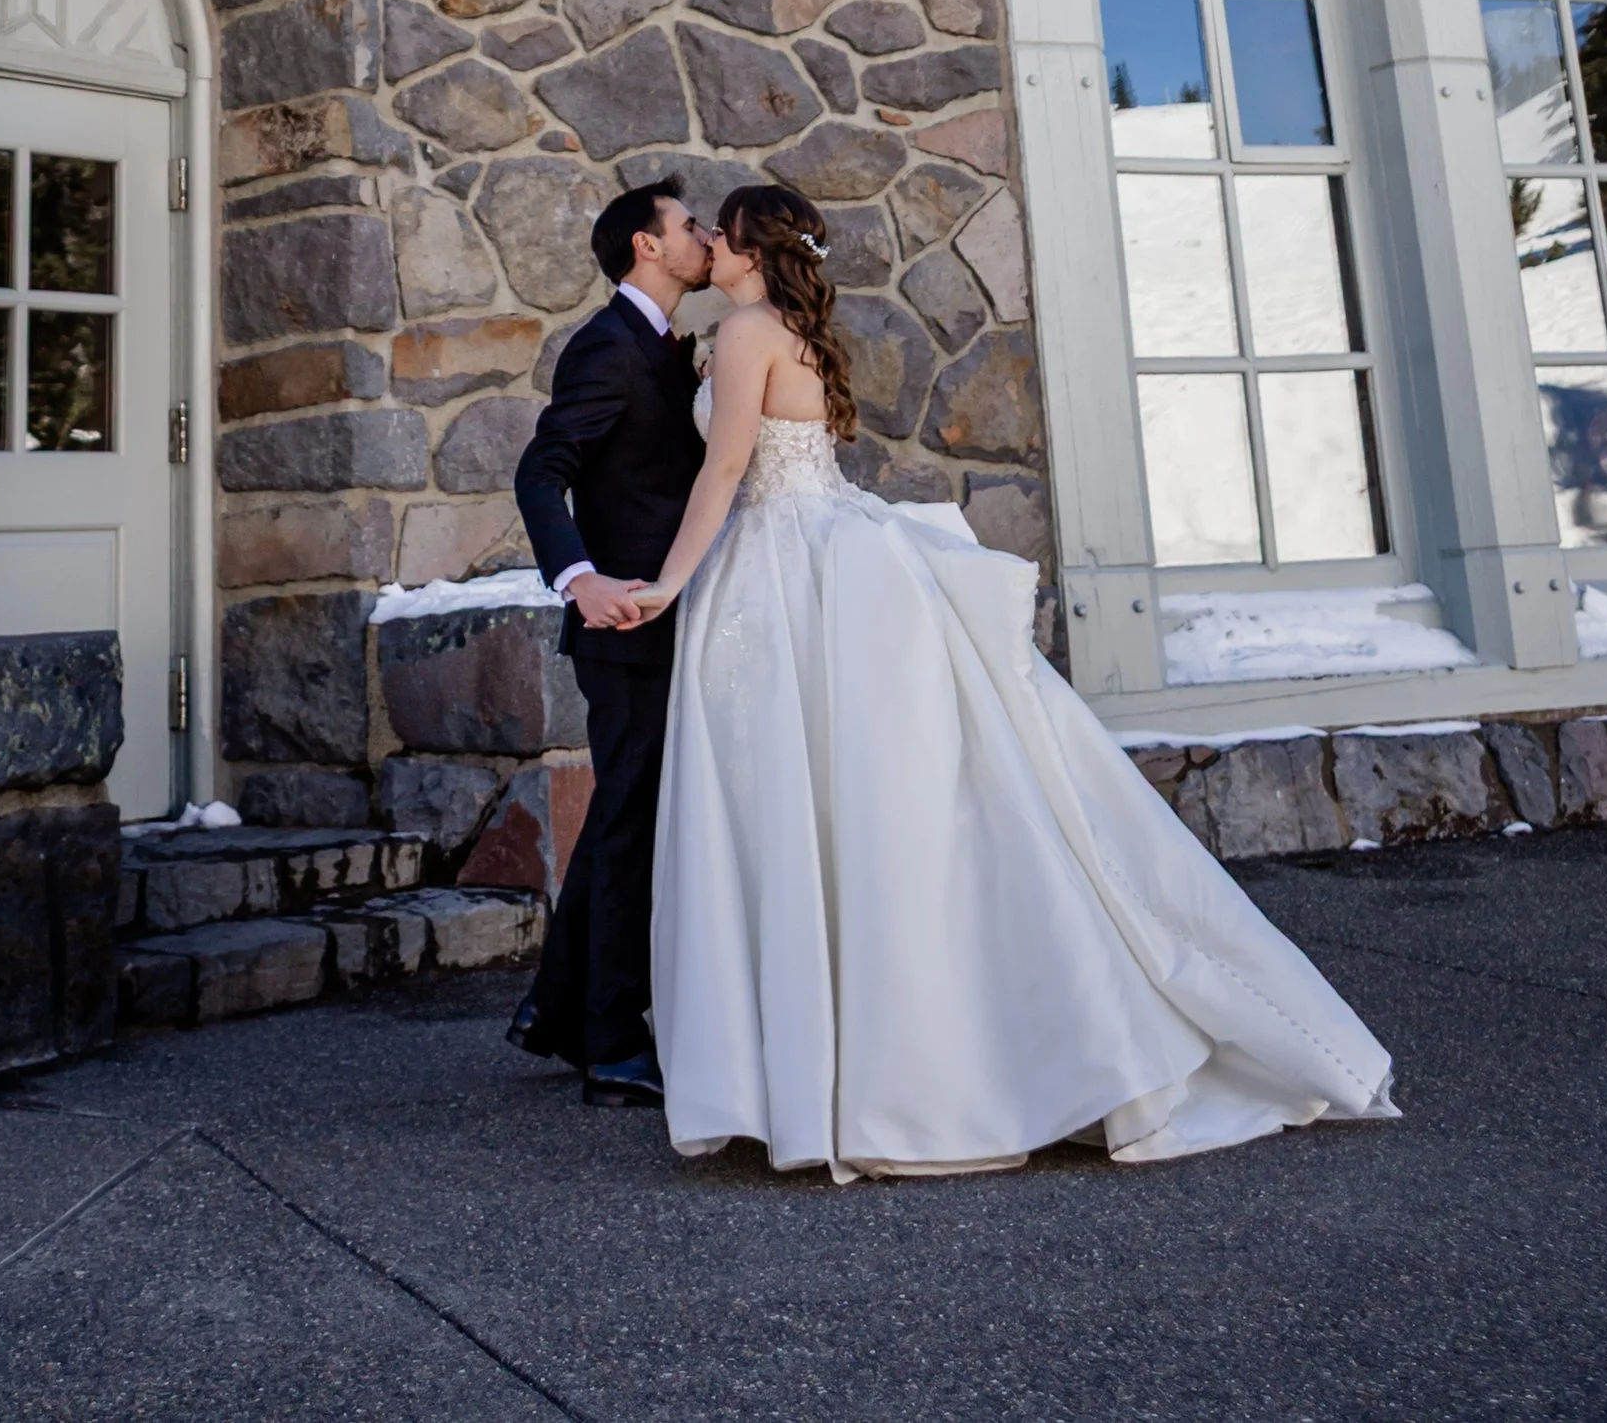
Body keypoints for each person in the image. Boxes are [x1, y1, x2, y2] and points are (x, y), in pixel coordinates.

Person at [635, 180, 1398, 1182]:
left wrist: (666, 584)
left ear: (744, 247)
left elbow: (726, 467)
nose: (706, 243)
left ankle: (840, 1076)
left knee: (806, 807)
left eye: (716, 230)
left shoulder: (742, 333)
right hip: (837, 553)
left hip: (784, 570)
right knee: (875, 811)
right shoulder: (794, 328)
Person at [508, 181, 713, 1104]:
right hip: (624, 625)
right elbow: (541, 471)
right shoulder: (606, 347)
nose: (705, 236)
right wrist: (578, 577)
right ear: (647, 245)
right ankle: (612, 1043)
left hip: (679, 619)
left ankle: (556, 1007)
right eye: (689, 226)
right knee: (630, 822)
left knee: (627, 815)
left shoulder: (671, 346)